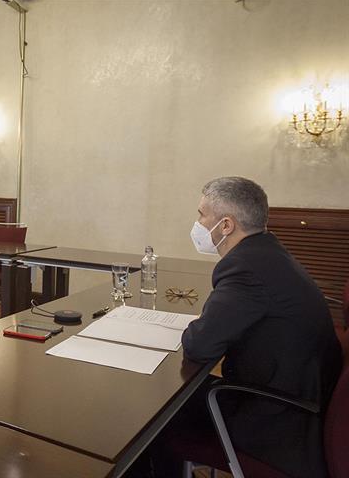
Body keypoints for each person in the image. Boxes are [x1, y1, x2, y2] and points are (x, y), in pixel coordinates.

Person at [145, 177, 341, 477]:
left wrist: (202, 324)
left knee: (153, 415)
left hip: (276, 419)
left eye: (202, 215)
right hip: (299, 397)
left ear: (226, 225)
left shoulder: (245, 269)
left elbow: (200, 345)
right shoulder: (268, 252)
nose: (198, 223)